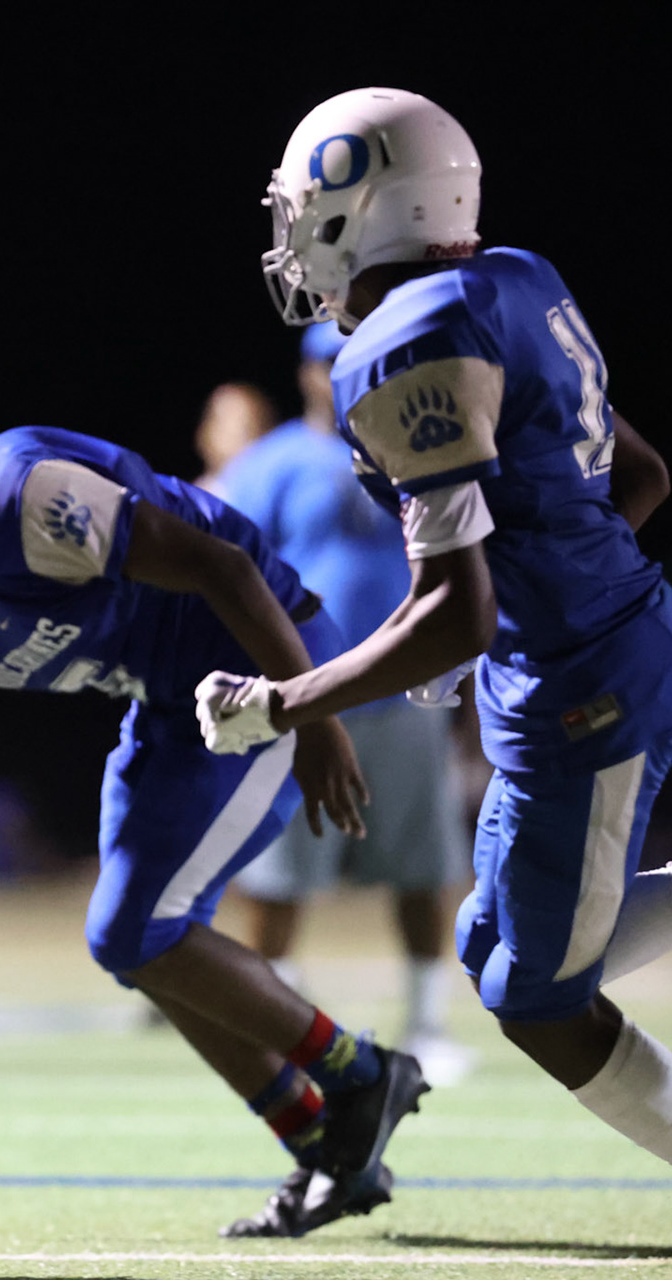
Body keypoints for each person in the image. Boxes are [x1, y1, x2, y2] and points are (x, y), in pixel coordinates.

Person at [205, 87, 672, 1280]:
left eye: (305, 212)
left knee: (538, 1001)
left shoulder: (396, 348)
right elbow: (642, 475)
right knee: (493, 947)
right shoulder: (515, 278)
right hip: (612, 647)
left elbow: (452, 608)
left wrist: (282, 702)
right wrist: (538, 607)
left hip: (586, 686)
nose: (294, 239)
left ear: (369, 210)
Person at [0, 356, 424, 1240]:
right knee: (130, 939)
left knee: (138, 931)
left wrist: (307, 714)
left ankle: (359, 1076)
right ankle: (324, 1143)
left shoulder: (19, 494)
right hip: (170, 703)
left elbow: (224, 568)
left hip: (260, 666)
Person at [216, 323, 475, 1084]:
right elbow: (230, 575)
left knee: (423, 868)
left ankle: (426, 1026)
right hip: (302, 699)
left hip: (405, 696)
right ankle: (278, 1031)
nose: (346, 375)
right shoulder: (272, 463)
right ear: (308, 374)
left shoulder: (420, 450)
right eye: (332, 363)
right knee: (280, 878)